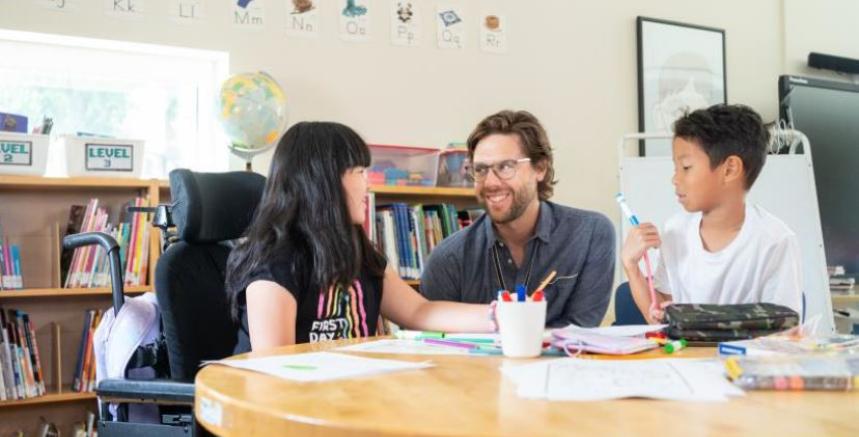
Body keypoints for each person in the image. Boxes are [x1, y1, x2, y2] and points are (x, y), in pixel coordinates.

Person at [226, 121, 494, 352]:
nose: (368, 183)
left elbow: (417, 311)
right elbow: (275, 370)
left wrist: (498, 316)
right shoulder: (274, 264)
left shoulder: (357, 250)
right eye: (359, 172)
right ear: (323, 181)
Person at [419, 110, 616, 328]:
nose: (491, 182)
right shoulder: (447, 260)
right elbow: (436, 346)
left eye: (505, 167)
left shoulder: (590, 235)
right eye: (481, 170)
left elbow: (581, 332)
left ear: (540, 168)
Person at [621, 104, 803, 324]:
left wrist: (703, 322)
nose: (675, 179)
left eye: (686, 167)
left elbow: (784, 330)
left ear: (729, 169)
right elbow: (661, 318)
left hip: (741, 359)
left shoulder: (774, 241)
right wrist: (631, 266)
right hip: (684, 358)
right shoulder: (676, 231)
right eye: (676, 168)